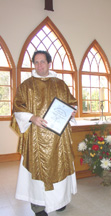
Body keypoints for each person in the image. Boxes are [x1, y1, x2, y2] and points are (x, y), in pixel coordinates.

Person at [11, 50, 78, 216]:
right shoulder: (26, 86)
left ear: (49, 64)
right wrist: (32, 117)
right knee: (37, 170)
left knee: (60, 167)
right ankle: (38, 206)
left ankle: (60, 201)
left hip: (58, 138)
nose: (39, 65)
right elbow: (18, 108)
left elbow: (72, 103)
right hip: (36, 137)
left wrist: (71, 112)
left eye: (42, 62)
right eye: (36, 62)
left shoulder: (60, 84)